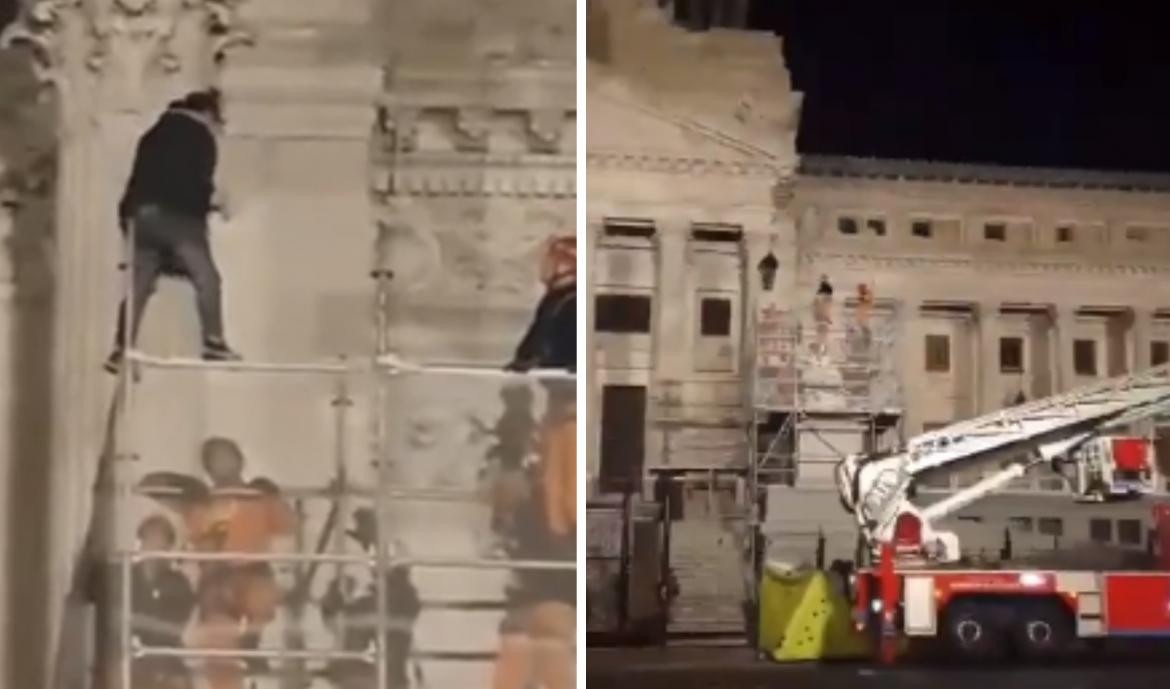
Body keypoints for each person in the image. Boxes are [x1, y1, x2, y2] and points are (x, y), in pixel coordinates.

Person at [140, 437, 295, 689]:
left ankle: (251, 643)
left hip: (253, 573)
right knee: (217, 644)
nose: (221, 463)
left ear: (240, 459)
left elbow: (289, 525)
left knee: (262, 599)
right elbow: (147, 485)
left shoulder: (259, 496)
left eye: (226, 455)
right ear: (207, 467)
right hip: (215, 579)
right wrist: (186, 486)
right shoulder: (200, 502)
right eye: (213, 458)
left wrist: (271, 495)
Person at [105, 89, 241, 373]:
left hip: (139, 217)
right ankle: (213, 341)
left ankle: (121, 346)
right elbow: (194, 182)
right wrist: (215, 203)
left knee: (140, 283)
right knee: (207, 277)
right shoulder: (199, 136)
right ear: (208, 114)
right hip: (176, 218)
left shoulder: (153, 134)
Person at [493, 236, 576, 689]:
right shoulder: (559, 302)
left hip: (563, 408)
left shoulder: (565, 301)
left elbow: (529, 351)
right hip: (559, 409)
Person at [129, 515, 198, 689]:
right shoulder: (126, 577)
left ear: (169, 548)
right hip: (131, 656)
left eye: (161, 543)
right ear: (140, 543)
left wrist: (137, 622)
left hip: (168, 658)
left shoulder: (178, 582)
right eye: (150, 540)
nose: (154, 548)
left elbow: (175, 629)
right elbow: (115, 621)